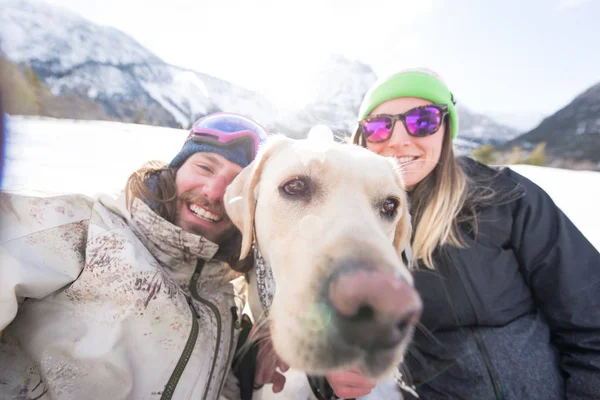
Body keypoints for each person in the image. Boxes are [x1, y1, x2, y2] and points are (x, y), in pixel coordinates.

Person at [321, 69, 600, 399]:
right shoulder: (349, 228)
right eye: (380, 126)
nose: (398, 139)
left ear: (446, 129)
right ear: (363, 138)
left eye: (421, 120)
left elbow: (589, 315)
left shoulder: (504, 197)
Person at [0, 112, 278, 399]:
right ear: (175, 169)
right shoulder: (84, 229)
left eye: (237, 184)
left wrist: (248, 354)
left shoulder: (228, 297)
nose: (215, 191)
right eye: (205, 167)